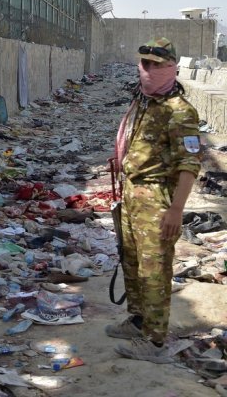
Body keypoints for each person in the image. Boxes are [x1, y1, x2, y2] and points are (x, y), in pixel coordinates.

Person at [107, 37, 202, 363]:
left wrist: (176, 210)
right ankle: (138, 320)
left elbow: (190, 165)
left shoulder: (180, 112)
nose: (148, 70)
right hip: (133, 195)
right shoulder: (146, 102)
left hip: (158, 201)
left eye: (156, 65)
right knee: (132, 263)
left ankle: (156, 341)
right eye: (144, 63)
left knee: (154, 270)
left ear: (172, 68)